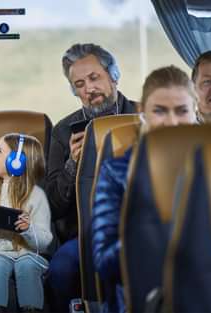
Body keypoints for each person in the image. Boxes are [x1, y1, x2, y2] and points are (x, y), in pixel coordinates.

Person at [91, 65, 198, 313]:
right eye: (160, 111)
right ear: (143, 113)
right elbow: (104, 262)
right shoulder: (118, 172)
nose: (172, 122)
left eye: (182, 111)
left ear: (196, 112)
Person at [45, 43, 136, 312]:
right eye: (80, 84)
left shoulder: (146, 116)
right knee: (61, 270)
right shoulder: (64, 131)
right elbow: (53, 205)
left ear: (114, 75)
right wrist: (73, 164)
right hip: (84, 234)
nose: (89, 89)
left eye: (94, 78)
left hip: (142, 225)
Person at [0, 133, 53, 313]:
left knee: (27, 266)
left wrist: (28, 229)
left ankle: (32, 309)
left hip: (29, 254)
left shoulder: (36, 195)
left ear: (17, 161)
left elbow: (44, 241)